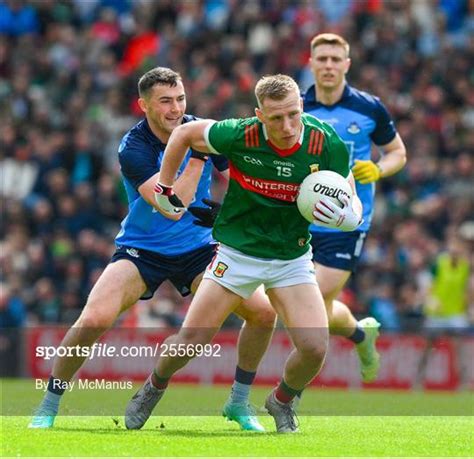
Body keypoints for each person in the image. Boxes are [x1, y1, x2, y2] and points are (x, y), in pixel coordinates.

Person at [29, 67, 277, 432]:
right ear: (143, 105)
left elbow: (245, 176)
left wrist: (233, 211)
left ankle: (238, 403)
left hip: (200, 250)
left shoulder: (203, 130)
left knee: (263, 313)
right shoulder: (133, 147)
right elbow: (171, 207)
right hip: (141, 250)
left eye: (180, 99)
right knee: (94, 319)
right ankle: (49, 404)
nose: (176, 108)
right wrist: (196, 155)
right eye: (165, 101)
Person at [125, 74, 363, 433]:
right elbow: (185, 134)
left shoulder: (324, 141)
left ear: (302, 108)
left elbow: (349, 191)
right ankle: (154, 386)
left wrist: (351, 216)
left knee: (315, 347)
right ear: (259, 115)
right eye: (276, 118)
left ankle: (281, 401)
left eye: (294, 114)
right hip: (236, 254)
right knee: (191, 341)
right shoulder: (239, 134)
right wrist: (166, 185)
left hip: (291, 258)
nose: (287, 126)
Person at [301, 33, 407, 386]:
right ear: (312, 63)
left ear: (347, 64)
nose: (329, 65)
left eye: (335, 59)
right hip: (301, 220)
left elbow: (397, 153)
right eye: (322, 59)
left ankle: (292, 391)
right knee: (319, 307)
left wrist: (379, 168)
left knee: (306, 302)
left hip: (348, 222)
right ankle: (361, 335)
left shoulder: (369, 107)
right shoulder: (297, 109)